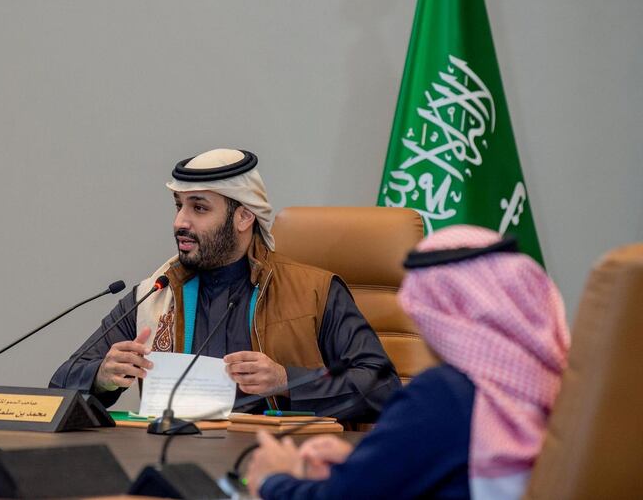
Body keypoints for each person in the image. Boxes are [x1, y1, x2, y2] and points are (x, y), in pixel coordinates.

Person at [49, 148, 400, 422]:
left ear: (244, 217)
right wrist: (102, 375)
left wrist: (285, 380)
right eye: (178, 206)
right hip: (176, 465)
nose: (180, 222)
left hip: (279, 470)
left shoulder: (315, 292)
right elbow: (60, 384)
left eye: (199, 208)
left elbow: (383, 388)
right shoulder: (157, 292)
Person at [245, 225, 570, 500]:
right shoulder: (559, 383)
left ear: (438, 315)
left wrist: (275, 478)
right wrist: (363, 461)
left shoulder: (446, 394)